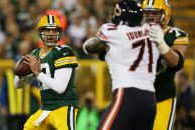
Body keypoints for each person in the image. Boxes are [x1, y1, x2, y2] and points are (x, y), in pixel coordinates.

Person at [83, 0, 160, 129]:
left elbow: (88, 47)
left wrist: (103, 48)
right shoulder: (153, 28)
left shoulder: (113, 31)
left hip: (127, 94)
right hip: (150, 99)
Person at [14, 14, 79, 130]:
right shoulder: (35, 54)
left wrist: (38, 73)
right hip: (46, 107)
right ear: (40, 32)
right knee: (28, 127)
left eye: (54, 31)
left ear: (59, 33)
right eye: (47, 30)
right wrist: (20, 75)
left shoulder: (64, 51)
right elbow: (18, 85)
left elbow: (60, 87)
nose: (51, 34)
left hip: (64, 105)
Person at [142, 0, 189, 130]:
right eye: (147, 13)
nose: (150, 17)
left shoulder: (174, 34)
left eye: (155, 13)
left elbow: (177, 63)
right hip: (138, 96)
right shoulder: (135, 32)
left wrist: (162, 45)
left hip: (163, 97)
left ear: (166, 13)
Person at [0, 42, 40, 130]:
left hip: (24, 108)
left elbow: (36, 85)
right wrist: (3, 105)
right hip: (11, 108)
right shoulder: (8, 74)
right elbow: (3, 91)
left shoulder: (29, 75)